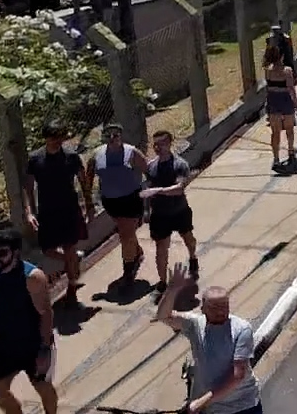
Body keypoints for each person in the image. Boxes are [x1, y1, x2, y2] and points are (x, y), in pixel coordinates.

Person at [157, 263, 264, 414]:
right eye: (214, 308)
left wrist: (201, 402)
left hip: (242, 406)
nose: (220, 312)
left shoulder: (241, 329)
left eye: (224, 307)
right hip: (210, 407)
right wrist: (172, 290)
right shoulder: (195, 324)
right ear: (203, 309)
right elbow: (163, 316)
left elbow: (238, 375)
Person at [0, 229, 58, 414]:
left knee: (42, 386)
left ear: (16, 252)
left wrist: (44, 349)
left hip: (34, 342)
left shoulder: (33, 278)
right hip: (7, 343)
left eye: (2, 253)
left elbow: (45, 314)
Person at [23, 121, 93, 305]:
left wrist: (89, 204)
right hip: (47, 211)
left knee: (69, 247)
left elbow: (83, 180)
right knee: (48, 250)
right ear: (46, 138)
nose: (57, 141)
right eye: (53, 138)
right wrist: (29, 212)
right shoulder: (35, 159)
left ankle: (71, 290)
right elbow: (28, 188)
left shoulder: (71, 157)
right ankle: (73, 260)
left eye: (60, 137)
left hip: (69, 209)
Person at [86, 123, 148, 286]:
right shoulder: (96, 155)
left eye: (116, 135)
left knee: (125, 235)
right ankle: (136, 251)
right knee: (126, 233)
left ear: (121, 136)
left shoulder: (131, 152)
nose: (112, 138)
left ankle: (128, 272)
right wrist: (89, 203)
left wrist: (154, 194)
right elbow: (88, 179)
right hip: (111, 202)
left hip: (131, 199)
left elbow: (148, 170)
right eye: (108, 135)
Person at [142, 130, 200, 296]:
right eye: (155, 144)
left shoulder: (180, 165)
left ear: (169, 143)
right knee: (161, 248)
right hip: (160, 215)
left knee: (188, 238)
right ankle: (162, 281)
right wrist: (146, 209)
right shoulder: (151, 166)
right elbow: (147, 189)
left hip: (179, 211)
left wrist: (158, 191)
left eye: (161, 143)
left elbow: (178, 189)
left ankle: (193, 256)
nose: (157, 147)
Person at [261, 44, 297, 172]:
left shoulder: (268, 71)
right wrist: (296, 104)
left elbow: (267, 88)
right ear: (282, 57)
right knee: (289, 129)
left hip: (273, 101)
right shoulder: (287, 71)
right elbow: (291, 89)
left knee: (275, 132)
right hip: (285, 100)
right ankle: (291, 152)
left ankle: (276, 159)